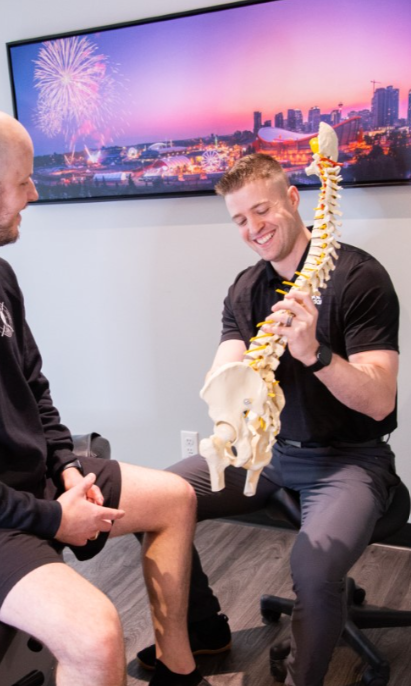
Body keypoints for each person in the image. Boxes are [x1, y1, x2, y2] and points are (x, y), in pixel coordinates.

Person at [0, 105, 214, 686]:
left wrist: (64, 465)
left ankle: (176, 669)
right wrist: (54, 518)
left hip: (26, 483)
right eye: (23, 180)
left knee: (176, 498)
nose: (34, 192)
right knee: (96, 633)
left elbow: (34, 388)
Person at [137, 153, 400, 686]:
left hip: (348, 461)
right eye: (240, 219)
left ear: (293, 199)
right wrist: (227, 397)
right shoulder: (245, 288)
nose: (253, 229)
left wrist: (315, 355)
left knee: (315, 571)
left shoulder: (360, 278)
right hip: (270, 455)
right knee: (154, 498)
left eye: (262, 211)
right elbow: (227, 365)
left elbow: (379, 402)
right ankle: (207, 629)